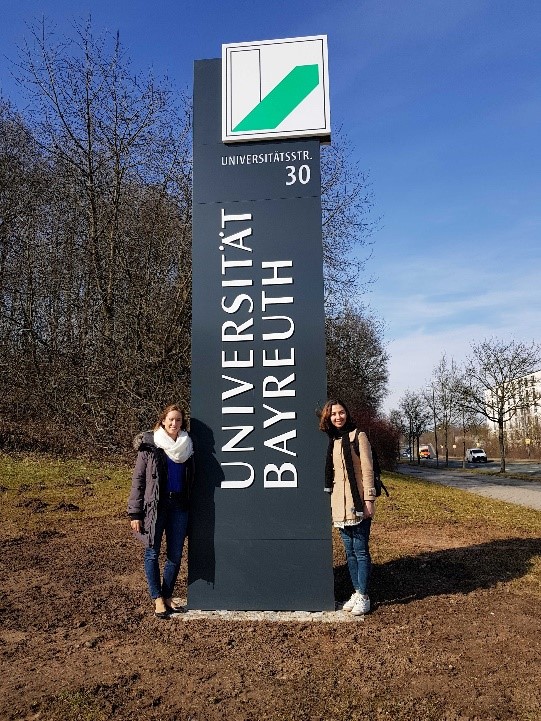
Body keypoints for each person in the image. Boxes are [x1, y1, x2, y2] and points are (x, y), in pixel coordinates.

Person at [128, 404, 194, 618]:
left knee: (175, 554)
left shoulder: (188, 447)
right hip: (155, 507)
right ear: (163, 421)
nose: (174, 424)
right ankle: (157, 598)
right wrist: (135, 513)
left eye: (178, 420)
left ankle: (167, 595)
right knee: (152, 552)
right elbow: (138, 481)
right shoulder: (150, 446)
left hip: (179, 506)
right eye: (171, 420)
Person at [319, 399, 377, 615]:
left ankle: (364, 595)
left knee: (361, 551)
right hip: (339, 505)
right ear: (328, 417)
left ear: (347, 413)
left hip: (358, 502)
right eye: (333, 414)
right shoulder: (333, 441)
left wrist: (369, 499)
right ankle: (357, 590)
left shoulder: (358, 436)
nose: (338, 417)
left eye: (341, 412)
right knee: (350, 552)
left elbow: (368, 470)